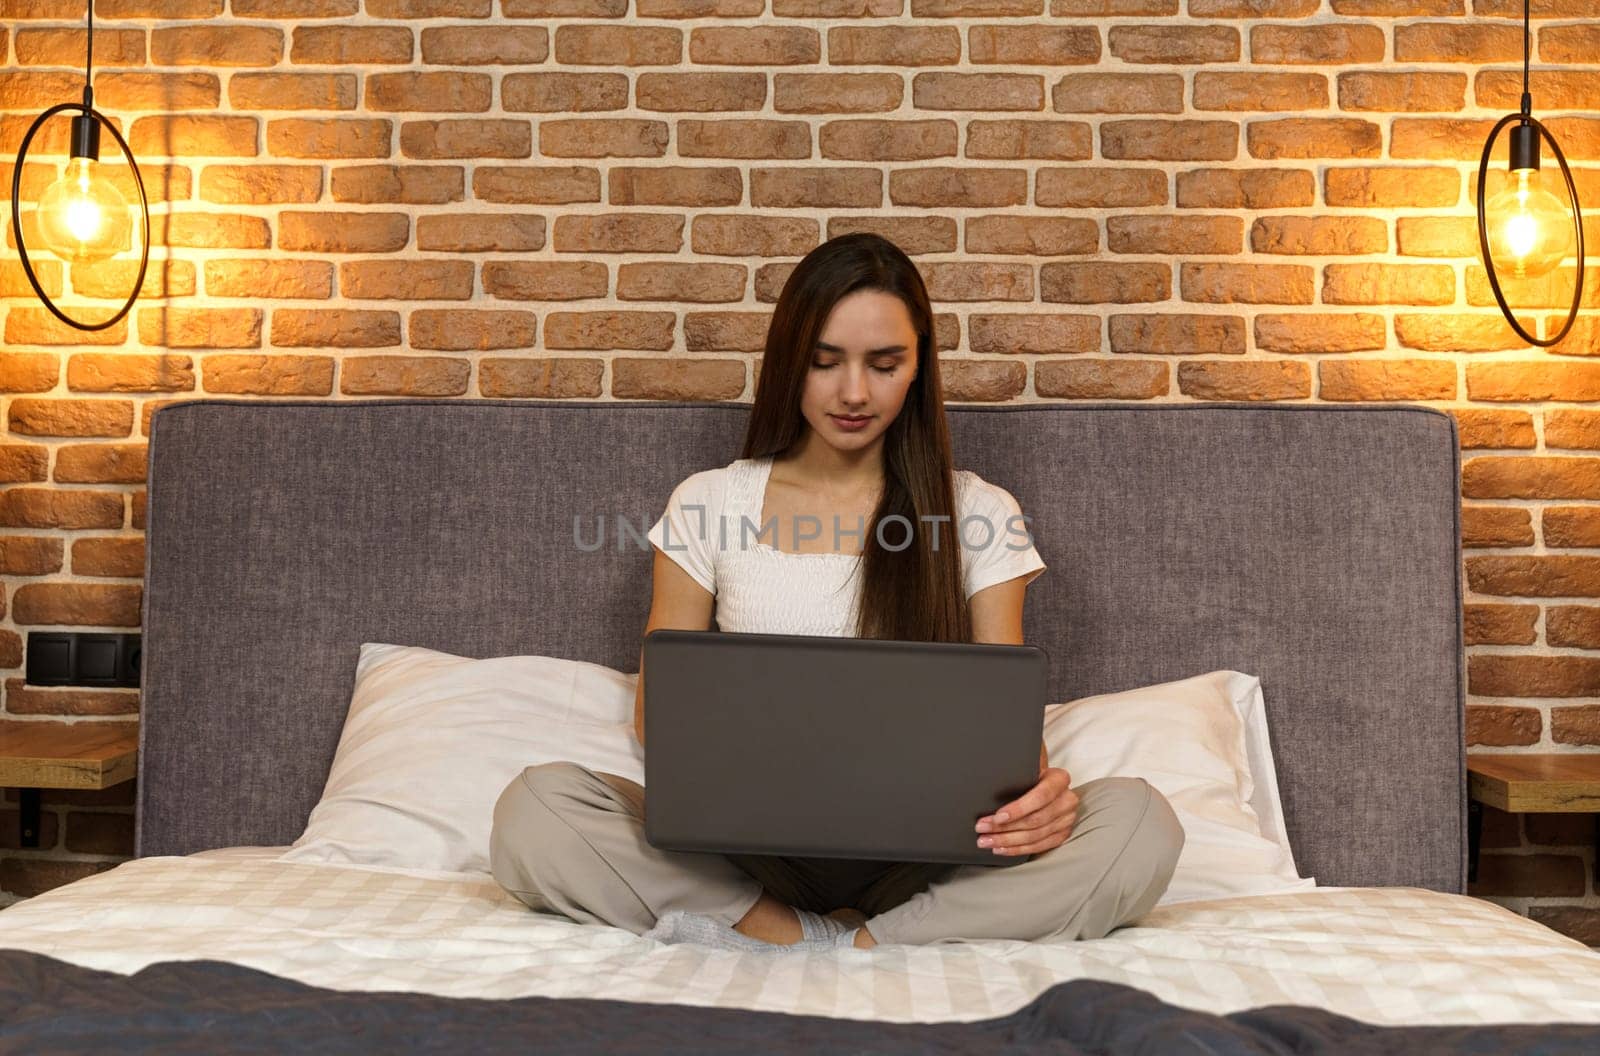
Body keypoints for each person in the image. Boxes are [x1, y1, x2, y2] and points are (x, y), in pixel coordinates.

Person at [488, 232, 1184, 953]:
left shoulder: (979, 512)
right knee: (536, 810)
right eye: (825, 363)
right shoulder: (710, 502)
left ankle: (860, 945)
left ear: (919, 368)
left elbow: (1006, 734)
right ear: (791, 362)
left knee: (1140, 821)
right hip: (745, 856)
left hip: (927, 862)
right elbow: (656, 715)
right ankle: (793, 929)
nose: (854, 392)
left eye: (885, 365)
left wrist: (1040, 800)